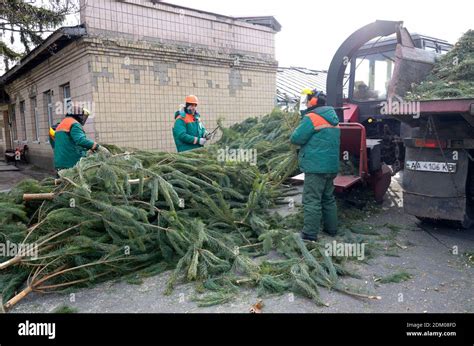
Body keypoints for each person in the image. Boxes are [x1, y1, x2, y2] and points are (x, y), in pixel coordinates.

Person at [290, 89, 341, 241]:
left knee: (312, 199)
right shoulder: (333, 118)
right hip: (331, 166)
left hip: (316, 167)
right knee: (328, 198)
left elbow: (296, 138)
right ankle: (331, 229)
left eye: (308, 99)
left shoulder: (312, 118)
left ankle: (310, 233)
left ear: (313, 102)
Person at [51, 106, 109, 171]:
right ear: (78, 115)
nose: (83, 119)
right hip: (71, 163)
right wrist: (97, 147)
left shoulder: (61, 124)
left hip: (59, 163)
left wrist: (85, 151)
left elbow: (69, 143)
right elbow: (80, 140)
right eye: (83, 116)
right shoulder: (74, 124)